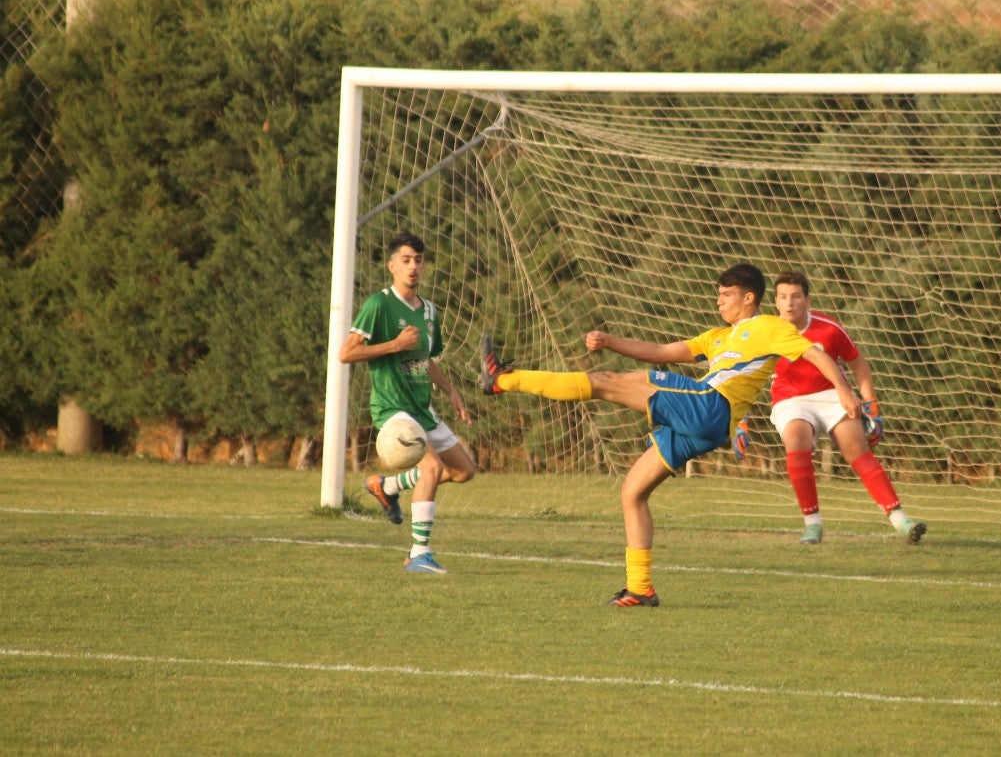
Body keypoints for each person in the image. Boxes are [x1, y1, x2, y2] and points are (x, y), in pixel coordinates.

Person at [480, 263, 862, 607]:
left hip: (711, 405)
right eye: (718, 295)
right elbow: (662, 350)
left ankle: (503, 380)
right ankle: (640, 588)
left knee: (604, 383)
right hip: (707, 427)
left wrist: (845, 391)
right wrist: (612, 341)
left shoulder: (769, 326)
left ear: (749, 298)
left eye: (726, 295)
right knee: (632, 492)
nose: (719, 302)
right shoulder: (717, 337)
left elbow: (814, 353)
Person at [338, 232, 477, 574]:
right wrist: (393, 345)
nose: (413, 266)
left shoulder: (429, 310)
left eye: (418, 260)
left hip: (422, 408)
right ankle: (418, 554)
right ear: (392, 266)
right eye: (405, 260)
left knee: (463, 470)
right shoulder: (378, 305)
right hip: (392, 408)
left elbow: (425, 358)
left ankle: (386, 486)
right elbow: (347, 353)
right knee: (431, 469)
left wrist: (449, 389)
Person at [759, 270, 925, 544]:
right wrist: (740, 421)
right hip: (791, 399)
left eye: (796, 297)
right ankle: (812, 524)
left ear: (807, 300)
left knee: (855, 447)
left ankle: (901, 521)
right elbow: (743, 375)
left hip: (833, 393)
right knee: (796, 438)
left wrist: (870, 403)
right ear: (775, 301)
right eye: (782, 297)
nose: (789, 303)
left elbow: (857, 362)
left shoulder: (828, 327)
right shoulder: (766, 333)